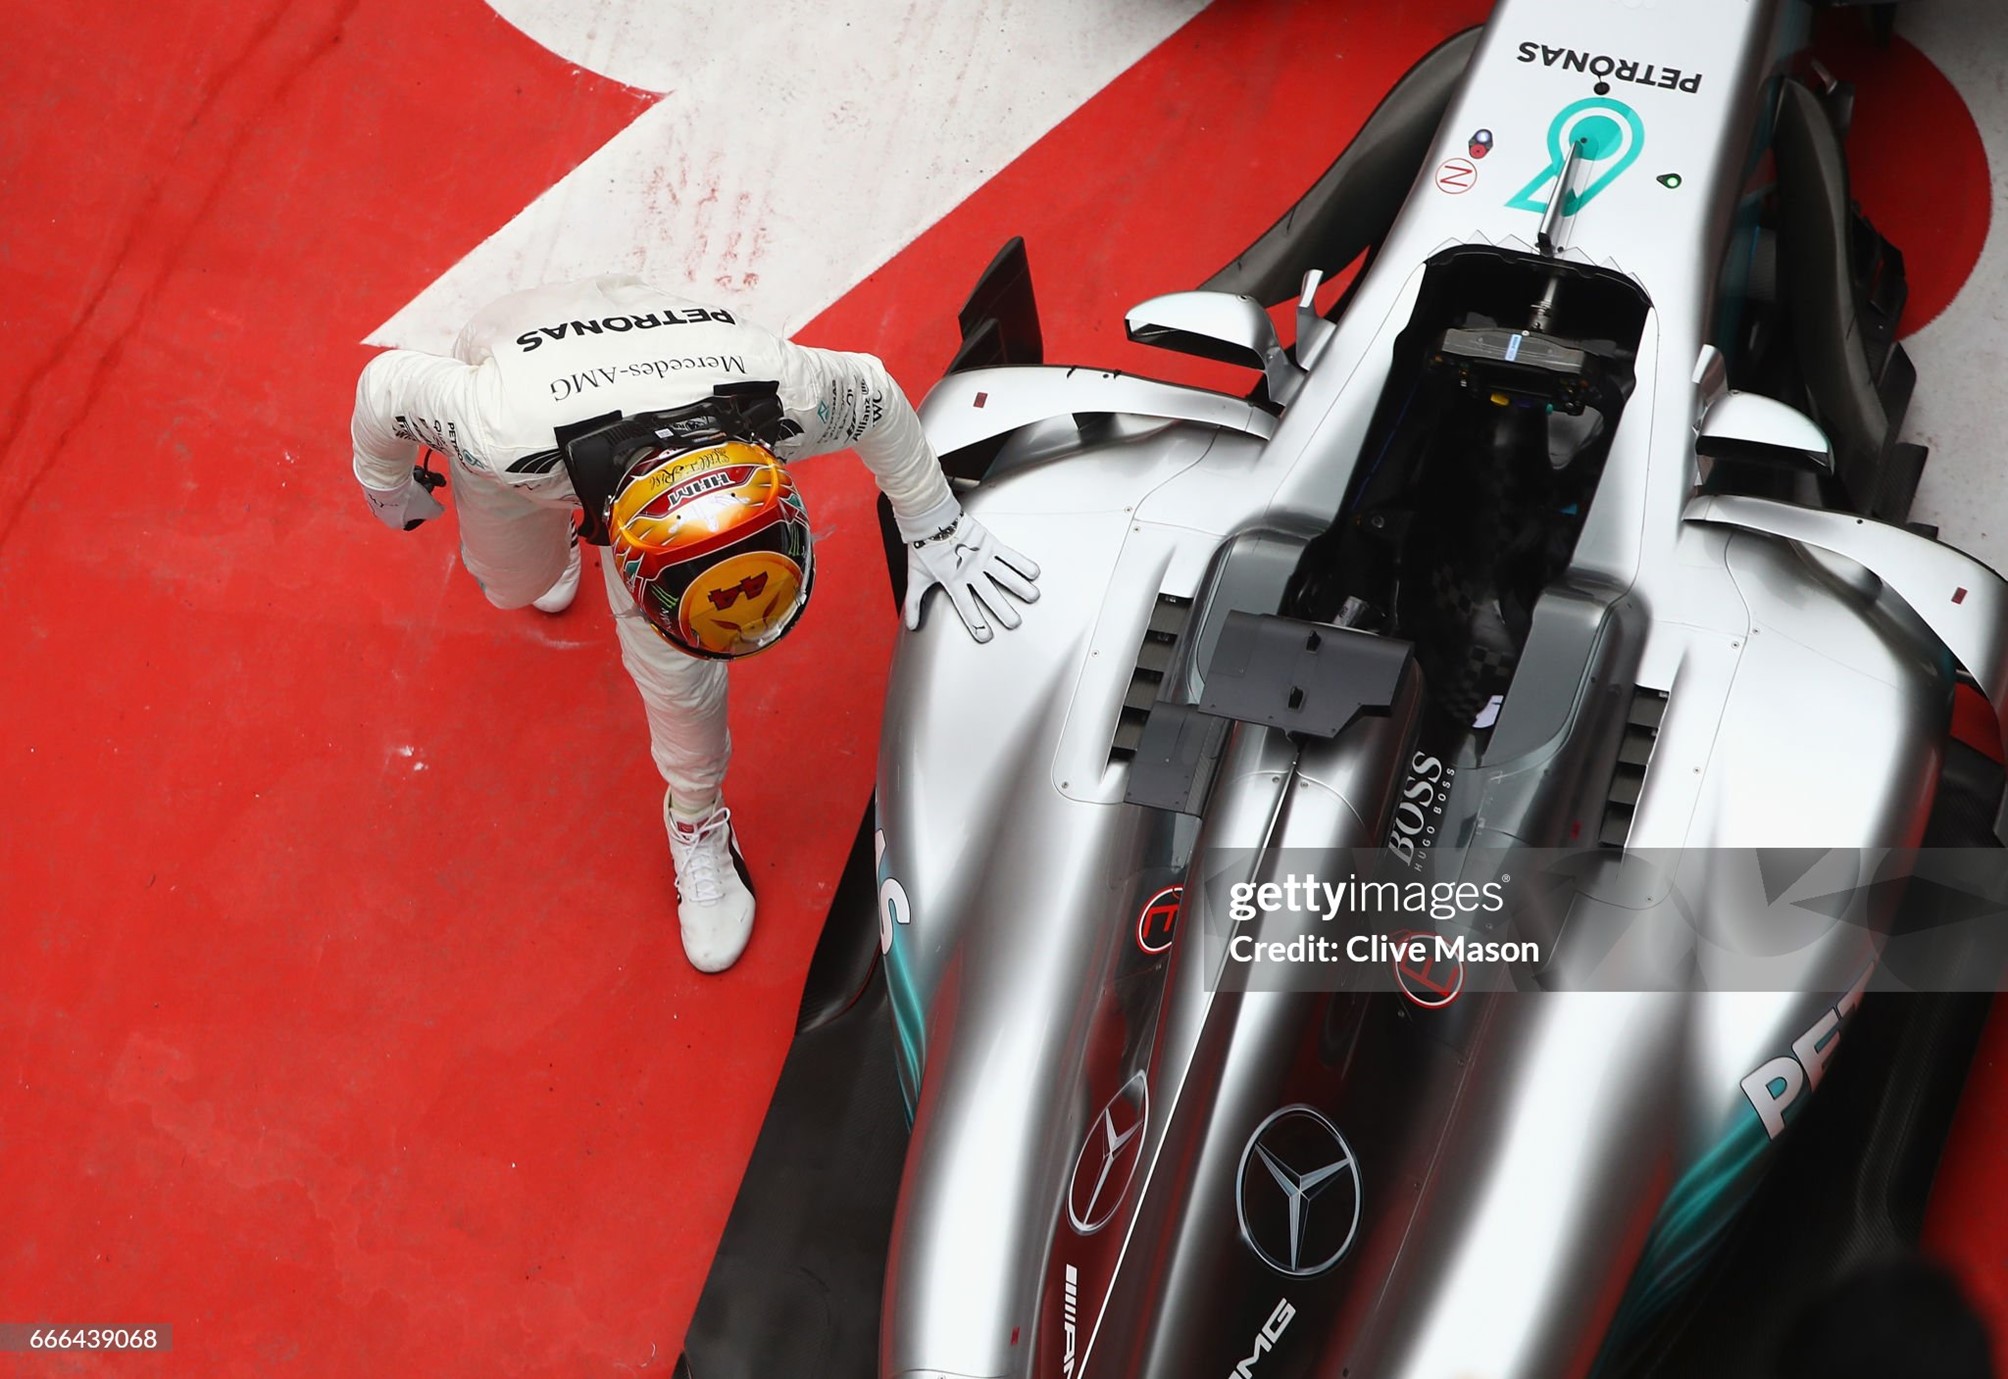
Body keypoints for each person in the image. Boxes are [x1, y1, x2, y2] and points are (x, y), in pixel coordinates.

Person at [349, 275, 1040, 972]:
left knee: (683, 679)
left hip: (660, 344)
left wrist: (935, 524)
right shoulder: (497, 430)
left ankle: (696, 817)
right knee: (515, 584)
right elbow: (386, 388)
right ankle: (558, 540)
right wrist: (387, 483)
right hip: (521, 350)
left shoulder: (786, 396)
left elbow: (873, 393)